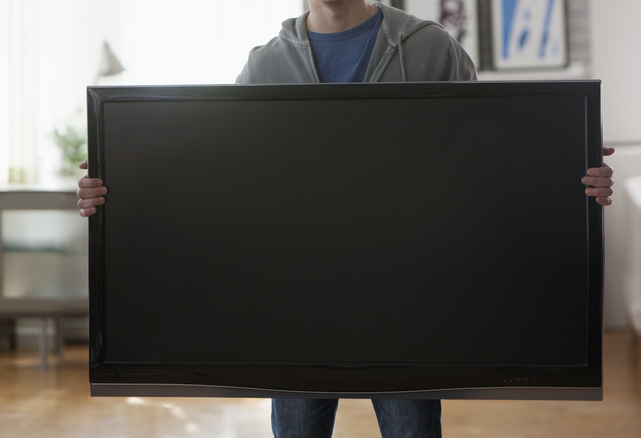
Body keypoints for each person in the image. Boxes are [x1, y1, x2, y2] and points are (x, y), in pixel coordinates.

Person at [77, 1, 614, 436]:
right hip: (298, 301)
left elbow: (493, 159)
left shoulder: (431, 48)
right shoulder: (264, 65)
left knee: (411, 428)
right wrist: (120, 180)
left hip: (411, 298)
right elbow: (223, 176)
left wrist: (573, 170)